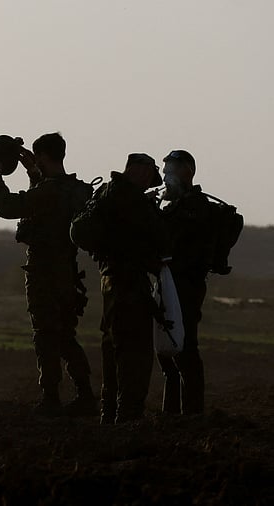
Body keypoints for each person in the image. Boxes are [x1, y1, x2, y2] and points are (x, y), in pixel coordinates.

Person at [0, 132, 97, 416]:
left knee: (46, 334)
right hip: (68, 272)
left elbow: (8, 206)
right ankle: (85, 393)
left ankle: (50, 398)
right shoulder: (78, 189)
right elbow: (46, 198)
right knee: (66, 336)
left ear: (43, 156)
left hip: (44, 272)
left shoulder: (49, 191)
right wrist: (34, 174)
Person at [89, 153, 169, 424]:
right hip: (130, 283)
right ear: (137, 171)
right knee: (135, 353)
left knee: (112, 348)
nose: (149, 183)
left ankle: (108, 412)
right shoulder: (133, 201)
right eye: (148, 176)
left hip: (109, 280)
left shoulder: (105, 193)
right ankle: (128, 415)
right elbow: (159, 236)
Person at [157, 149, 213, 415]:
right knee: (168, 349)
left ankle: (192, 412)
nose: (167, 175)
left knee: (185, 346)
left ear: (188, 171)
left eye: (172, 169)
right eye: (166, 169)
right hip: (170, 283)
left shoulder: (196, 208)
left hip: (187, 285)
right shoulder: (174, 206)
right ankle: (172, 412)